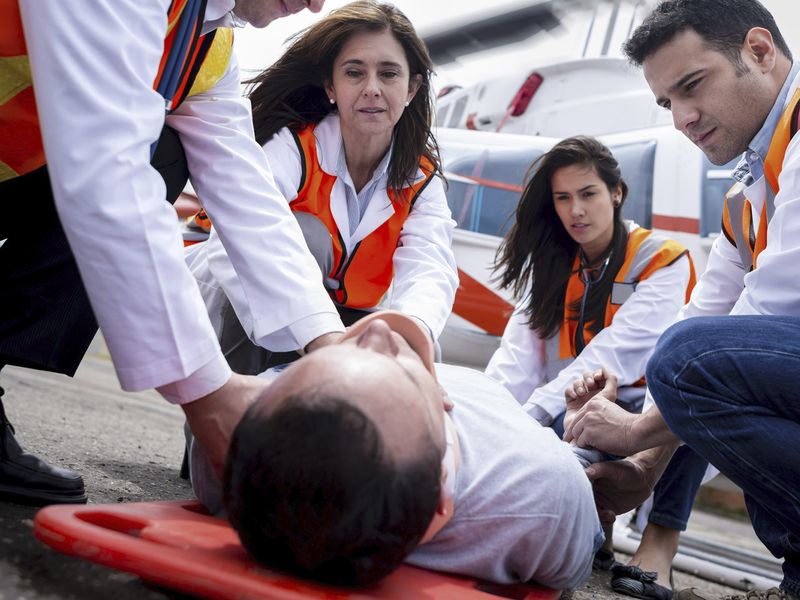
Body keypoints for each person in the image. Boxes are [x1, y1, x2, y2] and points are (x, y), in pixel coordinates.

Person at [0, 0, 348, 506]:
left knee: (165, 150)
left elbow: (245, 193)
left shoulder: (205, 43)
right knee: (141, 159)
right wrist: (212, 398)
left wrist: (328, 340)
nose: (316, 4)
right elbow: (106, 169)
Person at [562, 1, 800, 599]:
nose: (682, 119)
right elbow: (708, 330)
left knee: (686, 360)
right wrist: (640, 453)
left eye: (692, 86)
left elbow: (761, 317)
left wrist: (637, 435)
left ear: (760, 51)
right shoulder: (748, 197)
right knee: (684, 355)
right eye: (668, 102)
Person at [191, 310, 603, 590]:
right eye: (401, 373)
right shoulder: (541, 496)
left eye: (295, 370)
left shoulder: (223, 457)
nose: (376, 332)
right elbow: (572, 565)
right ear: (441, 499)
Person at [484, 135, 705, 599]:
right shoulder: (552, 266)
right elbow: (517, 362)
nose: (575, 210)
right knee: (571, 421)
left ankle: (658, 548)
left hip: (647, 408)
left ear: (616, 192)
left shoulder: (660, 261)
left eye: (588, 194)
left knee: (687, 419)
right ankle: (597, 535)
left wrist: (526, 424)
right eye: (562, 198)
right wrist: (487, 427)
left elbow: (615, 353)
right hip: (580, 402)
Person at [186, 0, 458, 373]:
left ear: (412, 89)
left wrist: (409, 337)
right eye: (354, 73)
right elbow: (242, 246)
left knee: (408, 347)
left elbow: (430, 268)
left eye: (389, 74)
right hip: (242, 310)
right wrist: (324, 338)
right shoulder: (292, 147)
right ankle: (232, 420)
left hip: (344, 317)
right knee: (303, 235)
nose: (372, 88)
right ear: (331, 86)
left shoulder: (422, 178)